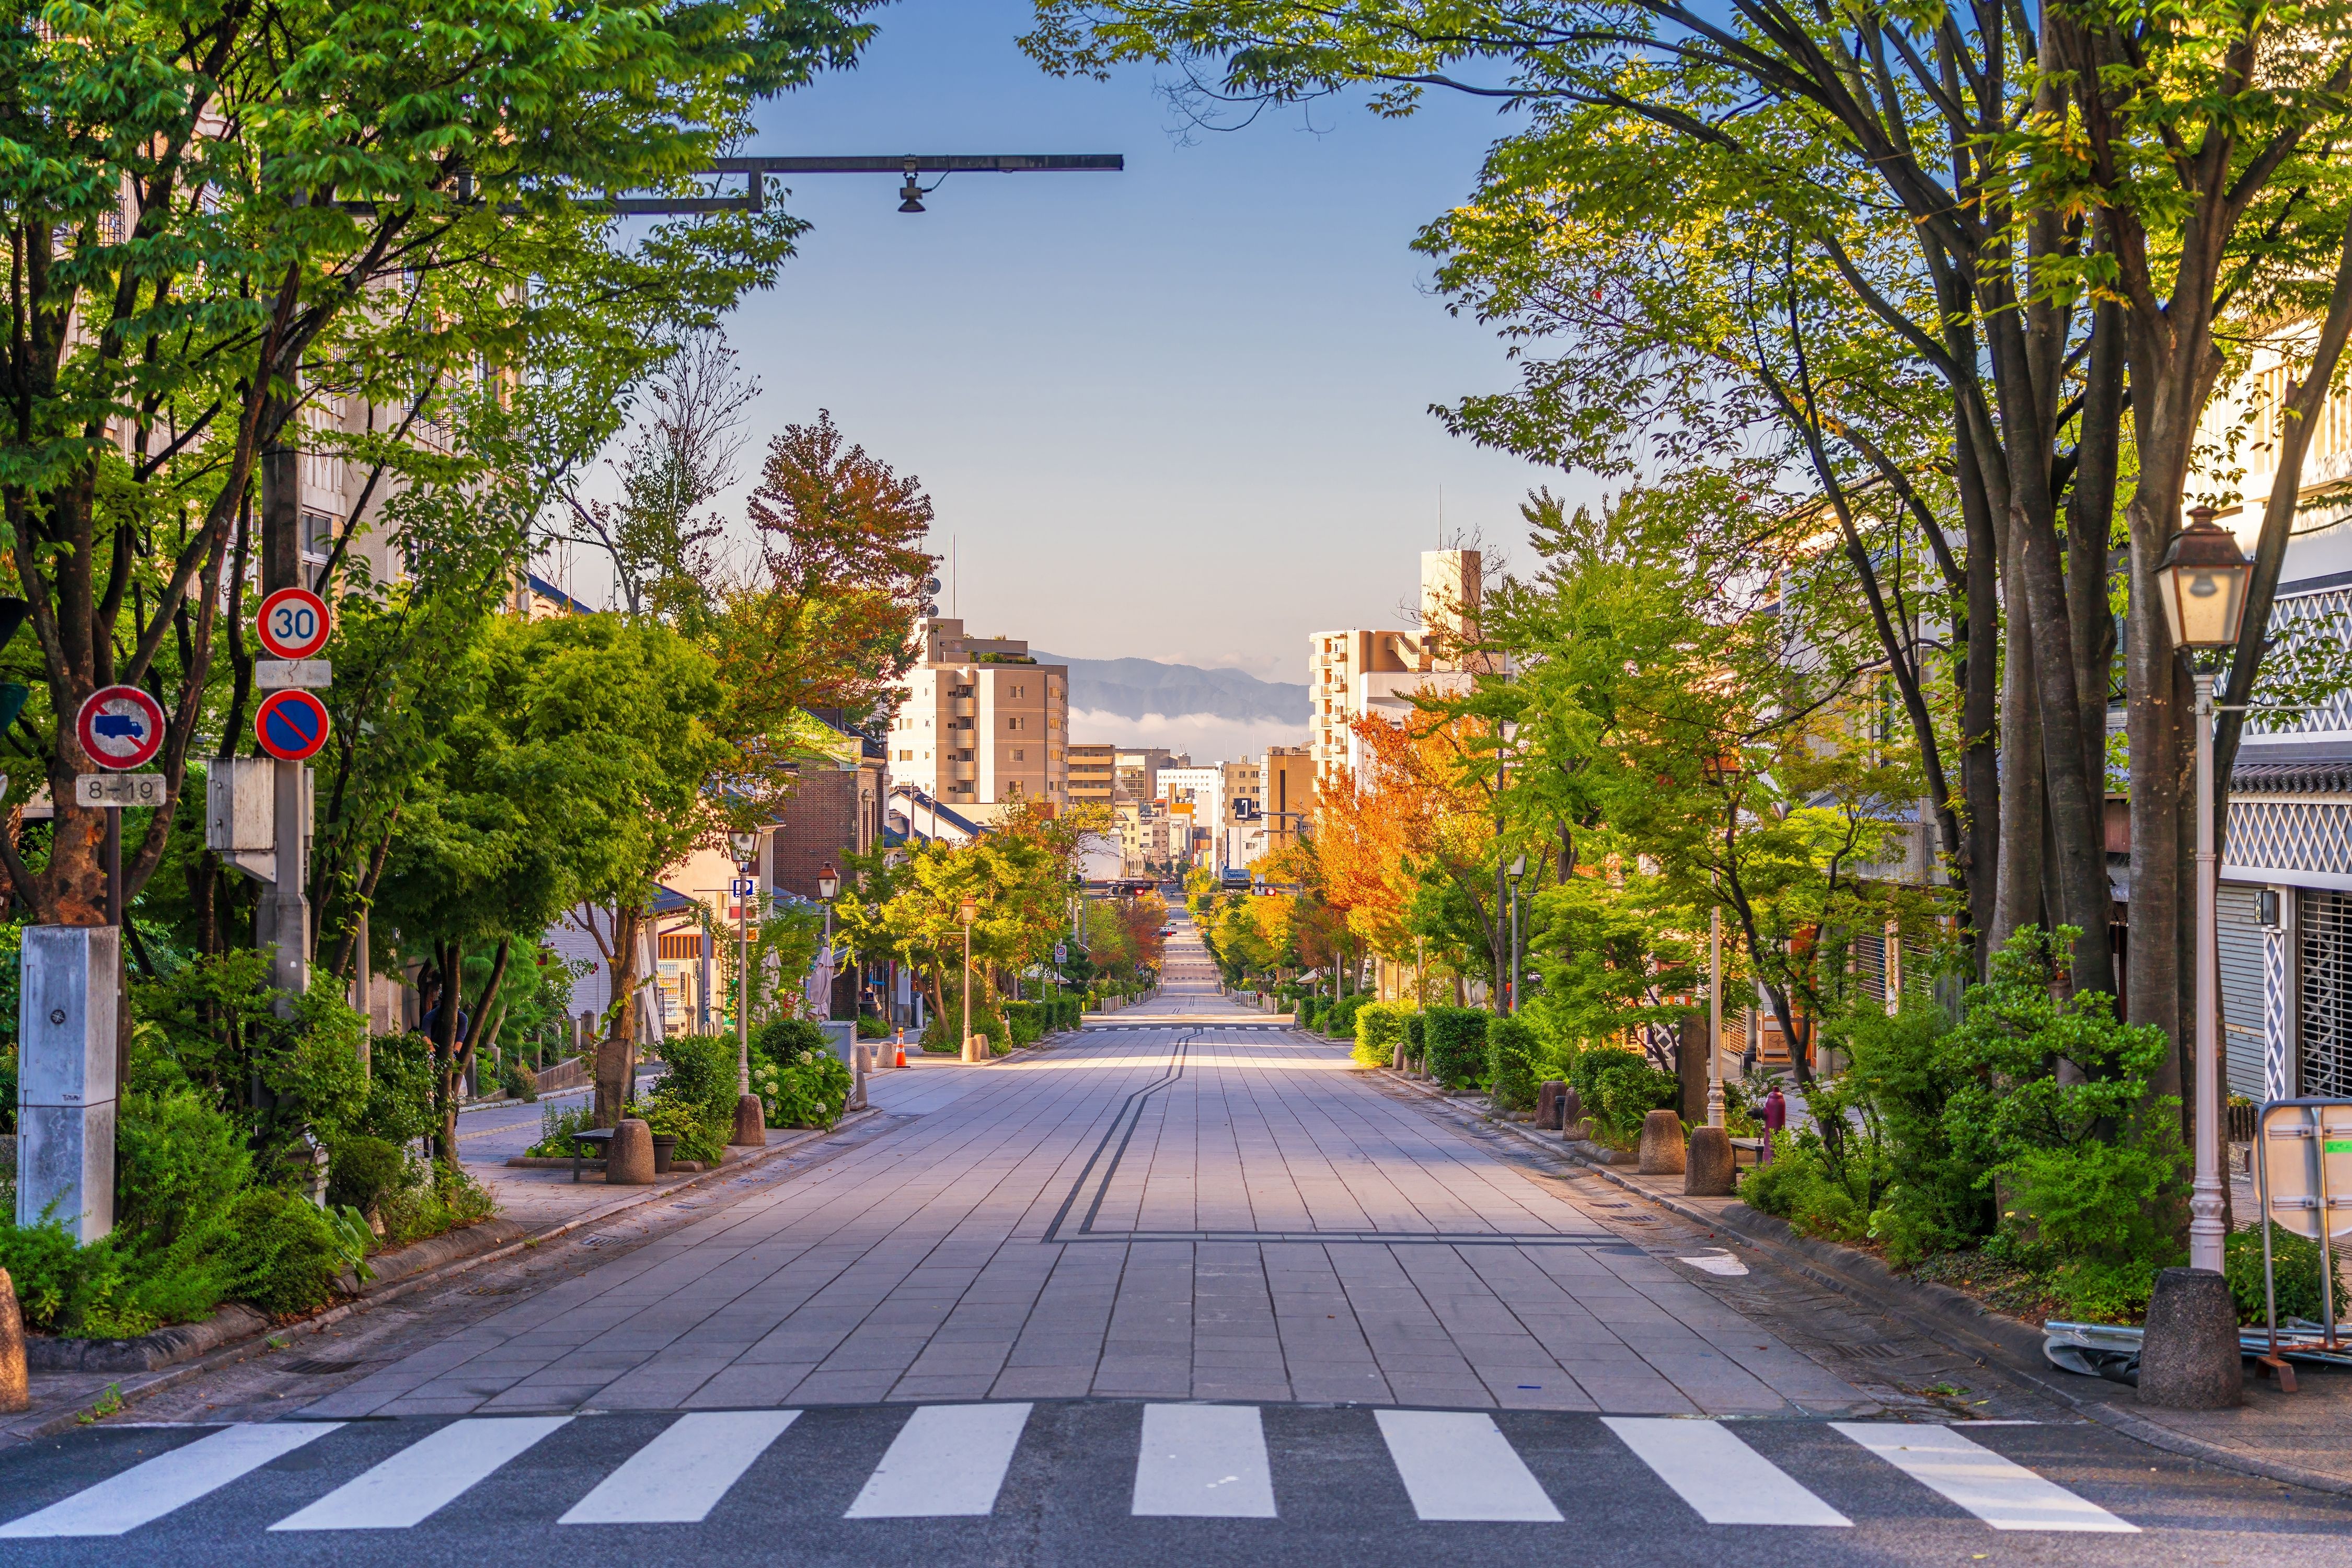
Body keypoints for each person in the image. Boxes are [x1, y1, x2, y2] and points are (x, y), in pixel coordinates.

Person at [1760, 1086, 1786, 1164]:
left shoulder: (1774, 1101)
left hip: (1771, 1143)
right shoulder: (1780, 1100)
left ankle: (1767, 1169)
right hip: (1777, 1142)